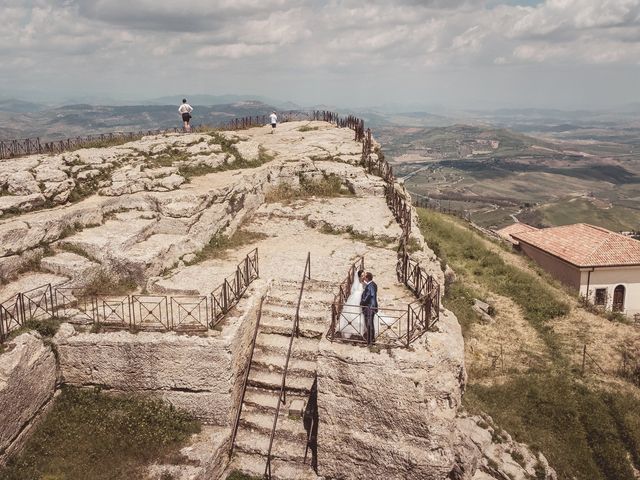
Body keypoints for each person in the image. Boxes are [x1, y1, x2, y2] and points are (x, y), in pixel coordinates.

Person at [340, 269, 365, 339]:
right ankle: (350, 331)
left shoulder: (363, 283)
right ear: (359, 276)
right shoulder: (357, 284)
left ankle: (359, 331)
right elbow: (353, 291)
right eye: (362, 275)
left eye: (364, 275)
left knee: (361, 315)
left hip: (361, 300)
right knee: (353, 314)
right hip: (356, 300)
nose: (363, 277)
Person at [360, 272, 378, 345]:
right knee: (370, 323)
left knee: (369, 323)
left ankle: (370, 340)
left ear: (367, 278)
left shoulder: (369, 286)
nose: (364, 277)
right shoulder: (373, 284)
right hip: (373, 306)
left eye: (365, 277)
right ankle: (372, 339)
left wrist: (362, 302)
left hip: (369, 307)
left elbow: (368, 296)